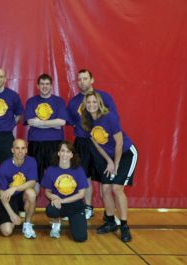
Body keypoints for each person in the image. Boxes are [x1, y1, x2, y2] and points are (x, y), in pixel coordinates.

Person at [81, 91, 138, 242]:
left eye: (94, 102)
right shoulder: (87, 122)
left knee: (116, 188)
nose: (91, 105)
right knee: (105, 188)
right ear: (85, 105)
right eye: (88, 102)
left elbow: (119, 142)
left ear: (99, 103)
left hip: (126, 154)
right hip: (110, 158)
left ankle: (124, 226)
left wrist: (117, 163)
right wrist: (109, 161)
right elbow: (98, 145)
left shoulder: (109, 117)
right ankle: (111, 221)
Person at [67, 69, 118, 220]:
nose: (82, 82)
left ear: (92, 80)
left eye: (85, 78)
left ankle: (110, 213)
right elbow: (70, 121)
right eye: (79, 79)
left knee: (105, 176)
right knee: (85, 175)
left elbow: (113, 118)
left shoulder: (104, 97)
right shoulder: (74, 102)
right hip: (82, 143)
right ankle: (88, 207)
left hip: (101, 142)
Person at [25, 73, 68, 191]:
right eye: (42, 84)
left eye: (47, 84)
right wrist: (53, 124)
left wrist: (40, 123)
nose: (45, 86)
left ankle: (56, 205)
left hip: (54, 143)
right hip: (35, 143)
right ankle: (32, 206)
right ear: (37, 86)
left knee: (55, 175)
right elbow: (30, 121)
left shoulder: (59, 101)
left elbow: (62, 122)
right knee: (35, 176)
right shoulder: (31, 101)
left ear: (51, 86)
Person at [42, 141, 88, 242]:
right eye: (62, 151)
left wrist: (62, 200)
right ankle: (56, 223)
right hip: (58, 205)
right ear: (58, 153)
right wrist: (53, 197)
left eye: (68, 152)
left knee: (80, 238)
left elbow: (81, 194)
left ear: (71, 155)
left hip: (75, 205)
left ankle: (75, 220)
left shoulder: (78, 170)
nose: (64, 154)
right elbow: (47, 191)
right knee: (51, 210)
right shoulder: (51, 170)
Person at [0, 139, 38, 239]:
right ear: (12, 150)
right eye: (17, 148)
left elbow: (32, 182)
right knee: (7, 231)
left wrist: (14, 188)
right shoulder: (5, 166)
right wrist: (12, 214)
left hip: (23, 197)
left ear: (26, 150)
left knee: (31, 193)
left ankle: (27, 224)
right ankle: (12, 216)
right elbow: (2, 193)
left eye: (23, 148)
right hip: (8, 199)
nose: (20, 151)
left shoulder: (31, 161)